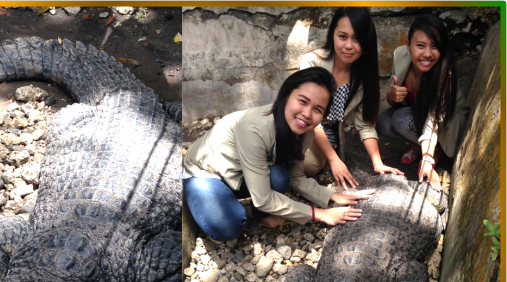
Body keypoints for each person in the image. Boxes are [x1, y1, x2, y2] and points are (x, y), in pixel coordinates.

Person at [183, 67, 375, 242]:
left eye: (318, 110)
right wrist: (321, 214)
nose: (307, 114)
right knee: (227, 228)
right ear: (285, 95)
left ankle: (259, 213)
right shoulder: (254, 128)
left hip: (242, 172)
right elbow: (264, 198)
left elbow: (296, 176)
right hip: (206, 173)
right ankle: (204, 199)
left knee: (280, 175)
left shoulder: (305, 132)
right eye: (302, 101)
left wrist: (330, 195)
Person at [300, 7, 403, 190]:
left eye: (357, 39)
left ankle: (322, 164)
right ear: (332, 35)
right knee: (309, 165)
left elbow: (365, 125)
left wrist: (378, 163)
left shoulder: (363, 77)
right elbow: (310, 120)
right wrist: (333, 161)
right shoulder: (312, 62)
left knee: (319, 165)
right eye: (342, 36)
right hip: (305, 128)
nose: (349, 45)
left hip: (332, 135)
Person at [378, 14, 470, 192]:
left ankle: (436, 151)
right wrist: (391, 96)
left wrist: (428, 159)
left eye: (434, 47)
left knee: (400, 119)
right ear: (408, 46)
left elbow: (433, 121)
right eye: (420, 45)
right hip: (416, 113)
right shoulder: (400, 55)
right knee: (382, 122)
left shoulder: (445, 76)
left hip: (446, 124)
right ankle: (419, 145)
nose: (427, 54)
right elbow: (395, 100)